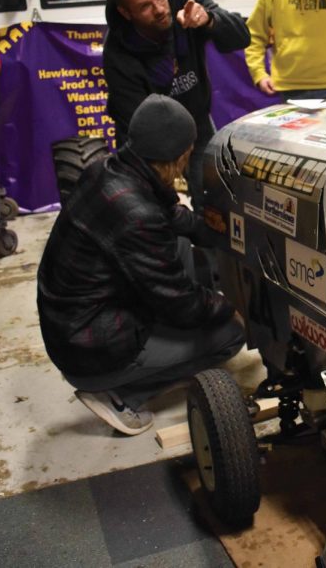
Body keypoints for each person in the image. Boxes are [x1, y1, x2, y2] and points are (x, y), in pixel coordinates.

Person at [37, 94, 245, 435]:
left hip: (69, 322)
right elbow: (180, 304)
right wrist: (230, 308)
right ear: (178, 158)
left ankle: (154, 355)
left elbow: (170, 216)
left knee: (178, 244)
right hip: (89, 348)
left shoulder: (109, 171)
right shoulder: (137, 214)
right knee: (229, 336)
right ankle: (123, 395)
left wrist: (214, 232)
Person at [102, 0, 250, 210]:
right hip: (146, 140)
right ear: (126, 13)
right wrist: (171, 191)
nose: (159, 9)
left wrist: (209, 20)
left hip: (197, 122)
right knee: (152, 209)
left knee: (215, 201)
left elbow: (241, 36)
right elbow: (137, 124)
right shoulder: (118, 52)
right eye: (145, 6)